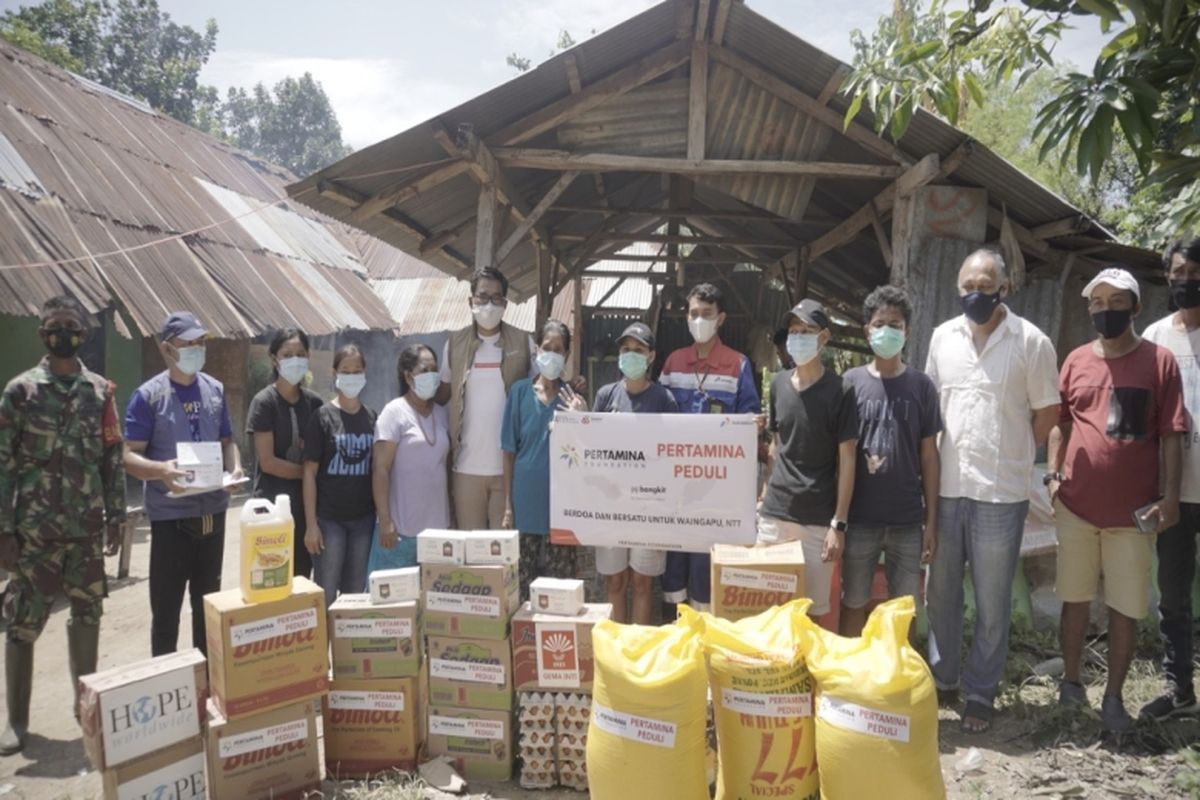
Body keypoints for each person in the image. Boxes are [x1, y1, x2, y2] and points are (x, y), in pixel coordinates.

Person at [925, 248, 1060, 734]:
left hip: (1002, 494)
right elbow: (931, 412)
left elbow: (1047, 413)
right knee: (939, 591)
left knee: (992, 599)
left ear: (1004, 288)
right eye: (968, 287)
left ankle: (980, 692)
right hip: (948, 488)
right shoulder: (943, 338)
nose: (975, 295)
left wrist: (1017, 452)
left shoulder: (1031, 341)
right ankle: (944, 678)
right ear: (957, 288)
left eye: (985, 286)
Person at [1047, 266, 1185, 732]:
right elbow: (1060, 421)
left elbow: (1171, 433)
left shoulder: (1159, 362)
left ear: (1135, 307)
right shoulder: (1076, 360)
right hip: (1077, 506)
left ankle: (1113, 698)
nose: (1106, 311)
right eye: (1097, 303)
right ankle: (1070, 684)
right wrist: (1051, 474)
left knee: (1125, 606)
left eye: (1116, 302)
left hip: (1134, 513)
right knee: (1074, 598)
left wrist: (1169, 498)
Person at [0, 296, 125, 755]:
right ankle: (15, 721)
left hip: (86, 531)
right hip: (32, 535)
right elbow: (3, 466)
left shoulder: (101, 393)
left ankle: (83, 711)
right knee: (21, 623)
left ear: (84, 335)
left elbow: (112, 460)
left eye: (71, 327)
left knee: (87, 615)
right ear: (42, 334)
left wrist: (115, 518)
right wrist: (4, 530)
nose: (63, 334)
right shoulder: (21, 392)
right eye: (55, 326)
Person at [124, 311, 243, 656]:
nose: (196, 349)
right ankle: (168, 684)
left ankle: (205, 686)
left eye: (200, 342)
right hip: (170, 519)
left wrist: (234, 469)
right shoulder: (148, 397)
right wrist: (161, 470)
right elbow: (129, 456)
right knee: (166, 614)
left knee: (208, 611)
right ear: (167, 348)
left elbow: (227, 442)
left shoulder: (215, 390)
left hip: (212, 514)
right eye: (187, 344)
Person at [840, 285, 941, 637]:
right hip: (860, 518)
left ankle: (902, 677)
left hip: (907, 520)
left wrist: (931, 521)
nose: (887, 330)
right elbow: (841, 456)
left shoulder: (921, 386)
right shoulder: (850, 384)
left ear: (907, 331)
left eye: (895, 324)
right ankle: (849, 676)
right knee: (853, 601)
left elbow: (929, 456)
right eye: (879, 323)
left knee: (906, 607)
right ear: (867, 329)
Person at [659, 283, 761, 612]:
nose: (699, 320)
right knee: (674, 557)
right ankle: (676, 624)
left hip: (716, 488)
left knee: (705, 559)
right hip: (674, 486)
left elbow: (749, 421)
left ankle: (705, 632)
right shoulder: (673, 363)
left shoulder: (738, 365)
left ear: (721, 319)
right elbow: (655, 418)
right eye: (693, 314)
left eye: (706, 314)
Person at [757, 299, 858, 621]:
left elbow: (848, 461)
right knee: (769, 612)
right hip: (774, 516)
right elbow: (776, 444)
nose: (798, 337)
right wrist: (763, 494)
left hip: (817, 521)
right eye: (794, 331)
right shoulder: (778, 384)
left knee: (810, 616)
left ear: (824, 338)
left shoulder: (841, 391)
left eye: (807, 331)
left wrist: (838, 525)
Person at [1135, 238, 1200, 722]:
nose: (1187, 280)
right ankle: (1179, 690)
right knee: (1172, 595)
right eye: (1179, 272)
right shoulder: (1157, 337)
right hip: (1174, 491)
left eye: (1195, 272)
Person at [435, 267, 536, 530]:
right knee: (471, 555)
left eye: (496, 297)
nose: (489, 304)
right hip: (465, 468)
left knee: (502, 555)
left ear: (505, 303)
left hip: (508, 469)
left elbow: (542, 390)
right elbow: (441, 395)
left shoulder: (524, 343)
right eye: (482, 296)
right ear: (471, 301)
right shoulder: (454, 344)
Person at [592, 322, 678, 624]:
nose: (631, 356)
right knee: (615, 582)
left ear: (651, 356)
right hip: (612, 506)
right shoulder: (605, 396)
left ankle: (638, 650)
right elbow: (592, 449)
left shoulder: (664, 400)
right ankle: (616, 650)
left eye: (638, 350)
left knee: (642, 584)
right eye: (626, 350)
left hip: (648, 507)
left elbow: (671, 456)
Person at [502, 319, 587, 599]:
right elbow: (508, 452)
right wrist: (507, 507)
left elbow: (587, 451)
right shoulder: (519, 392)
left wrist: (582, 416)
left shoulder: (573, 397)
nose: (552, 353)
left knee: (560, 586)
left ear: (566, 356)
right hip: (525, 502)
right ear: (537, 349)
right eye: (547, 347)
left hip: (562, 505)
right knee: (523, 585)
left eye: (558, 349)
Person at [302, 344, 377, 607]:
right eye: (346, 371)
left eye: (357, 371)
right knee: (326, 590)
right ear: (335, 373)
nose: (352, 376)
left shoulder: (371, 418)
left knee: (355, 594)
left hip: (363, 521)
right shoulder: (322, 417)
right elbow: (309, 474)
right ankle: (324, 647)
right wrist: (312, 525)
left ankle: (346, 648)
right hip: (330, 521)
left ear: (365, 373)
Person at [247, 328, 324, 579]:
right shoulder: (264, 402)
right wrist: (309, 474)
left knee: (301, 579)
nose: (295, 360)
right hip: (271, 510)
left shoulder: (314, 404)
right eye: (287, 354)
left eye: (300, 354)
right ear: (274, 358)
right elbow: (268, 463)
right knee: (271, 578)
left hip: (305, 511)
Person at [370, 344, 451, 571]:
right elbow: (381, 469)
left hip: (437, 532)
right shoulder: (394, 412)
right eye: (424, 370)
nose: (431, 376)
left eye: (435, 370)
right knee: (395, 601)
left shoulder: (442, 413)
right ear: (408, 376)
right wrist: (385, 521)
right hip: (400, 531)